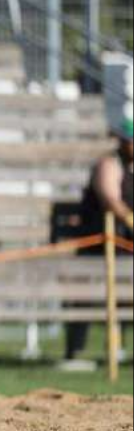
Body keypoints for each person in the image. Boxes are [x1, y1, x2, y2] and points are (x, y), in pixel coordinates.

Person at [62, 116, 133, 366]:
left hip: (126, 248)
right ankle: (75, 352)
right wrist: (130, 218)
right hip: (97, 247)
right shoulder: (109, 164)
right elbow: (110, 199)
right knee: (85, 294)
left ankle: (119, 349)